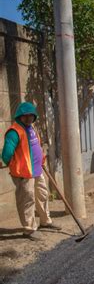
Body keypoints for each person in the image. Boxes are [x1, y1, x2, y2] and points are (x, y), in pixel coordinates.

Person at [1, 102, 61, 241]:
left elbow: (36, 146)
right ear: (20, 116)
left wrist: (42, 159)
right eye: (26, 116)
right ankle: (29, 229)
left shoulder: (31, 129)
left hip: (37, 170)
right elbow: (7, 153)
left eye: (31, 116)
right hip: (23, 173)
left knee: (43, 194)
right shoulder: (14, 131)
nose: (28, 119)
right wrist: (13, 164)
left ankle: (45, 221)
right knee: (27, 200)